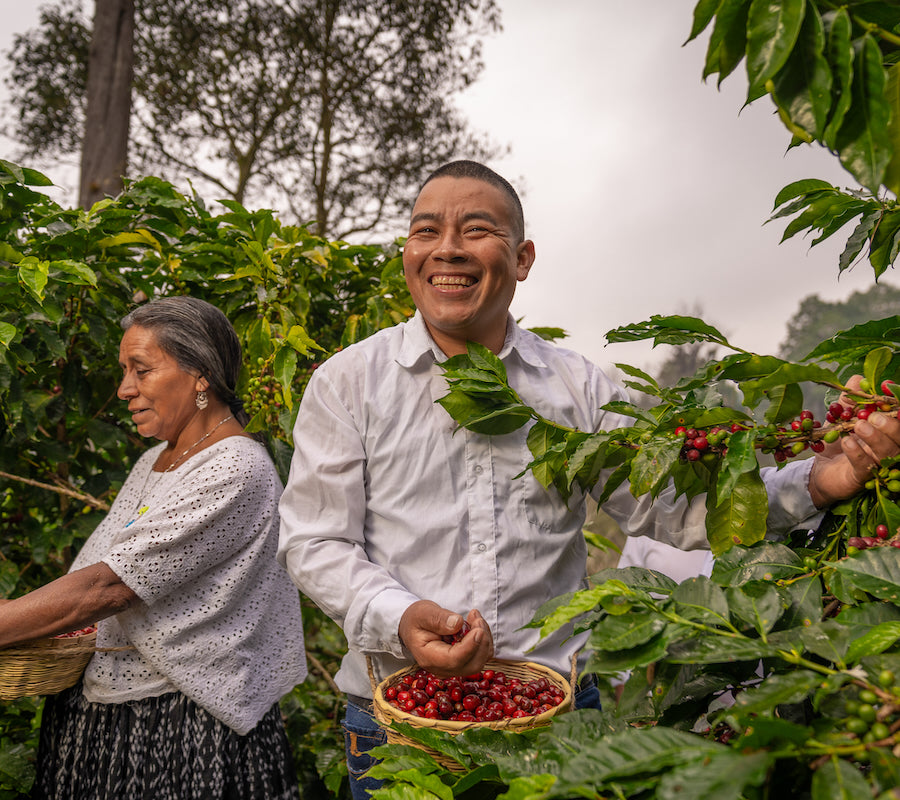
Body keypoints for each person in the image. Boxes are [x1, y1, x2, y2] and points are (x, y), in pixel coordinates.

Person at [276, 160, 900, 798]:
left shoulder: (577, 389)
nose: (447, 249)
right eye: (426, 230)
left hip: (559, 720)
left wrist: (823, 480)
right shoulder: (349, 384)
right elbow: (314, 542)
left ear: (522, 259)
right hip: (397, 721)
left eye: (476, 229)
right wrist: (400, 615)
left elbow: (676, 510)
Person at [0, 297, 307, 800]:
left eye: (140, 370)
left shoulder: (235, 468)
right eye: (125, 371)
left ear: (201, 375)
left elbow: (110, 587)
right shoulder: (156, 460)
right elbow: (102, 571)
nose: (124, 390)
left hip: (179, 723)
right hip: (107, 710)